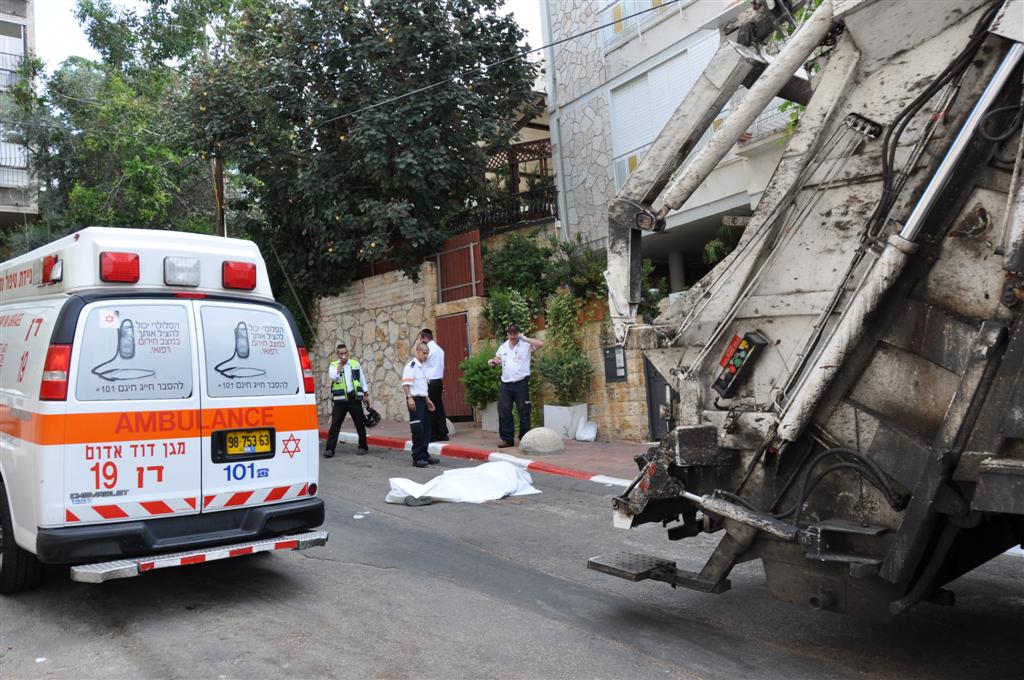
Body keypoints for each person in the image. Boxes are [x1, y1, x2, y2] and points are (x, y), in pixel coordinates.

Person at [487, 324, 543, 448]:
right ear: (507, 334)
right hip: (505, 384)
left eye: (515, 333)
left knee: (524, 412)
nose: (512, 336)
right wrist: (493, 361)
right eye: (510, 334)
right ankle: (507, 439)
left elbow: (540, 344)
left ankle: (524, 438)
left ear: (518, 333)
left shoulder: (525, 345)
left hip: (520, 384)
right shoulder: (503, 347)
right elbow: (498, 358)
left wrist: (525, 338)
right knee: (504, 412)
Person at [324, 343, 371, 457]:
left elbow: (362, 379)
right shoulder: (333, 365)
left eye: (345, 353)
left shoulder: (355, 364)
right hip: (340, 400)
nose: (344, 355)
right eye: (341, 353)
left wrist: (365, 394)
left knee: (359, 423)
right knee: (335, 424)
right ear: (337, 354)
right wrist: (341, 364)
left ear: (348, 352)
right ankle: (330, 449)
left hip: (353, 398)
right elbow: (334, 377)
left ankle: (363, 446)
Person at [402, 341, 440, 468]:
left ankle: (425, 455)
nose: (426, 356)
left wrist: (427, 400)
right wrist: (409, 398)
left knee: (426, 429)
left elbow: (421, 387)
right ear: (417, 352)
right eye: (424, 353)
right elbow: (406, 385)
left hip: (422, 400)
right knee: (417, 429)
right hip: (415, 401)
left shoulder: (422, 367)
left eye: (427, 353)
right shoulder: (411, 367)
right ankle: (417, 457)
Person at [419, 328, 449, 442]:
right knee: (439, 407)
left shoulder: (428, 350)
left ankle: (432, 434)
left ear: (424, 338)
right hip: (438, 381)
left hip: (430, 381)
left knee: (430, 407)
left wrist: (417, 346)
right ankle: (443, 433)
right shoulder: (440, 349)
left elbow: (419, 360)